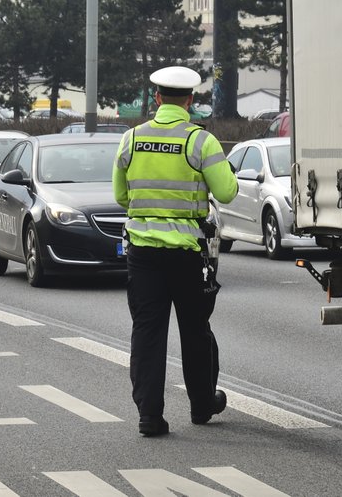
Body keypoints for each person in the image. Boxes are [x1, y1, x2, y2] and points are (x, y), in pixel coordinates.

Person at [112, 65, 239, 437]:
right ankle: (201, 405)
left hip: (143, 255)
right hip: (186, 255)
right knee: (195, 330)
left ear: (155, 99)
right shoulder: (201, 142)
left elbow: (121, 196)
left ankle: (149, 416)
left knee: (148, 333)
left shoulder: (131, 139)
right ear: (190, 100)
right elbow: (228, 192)